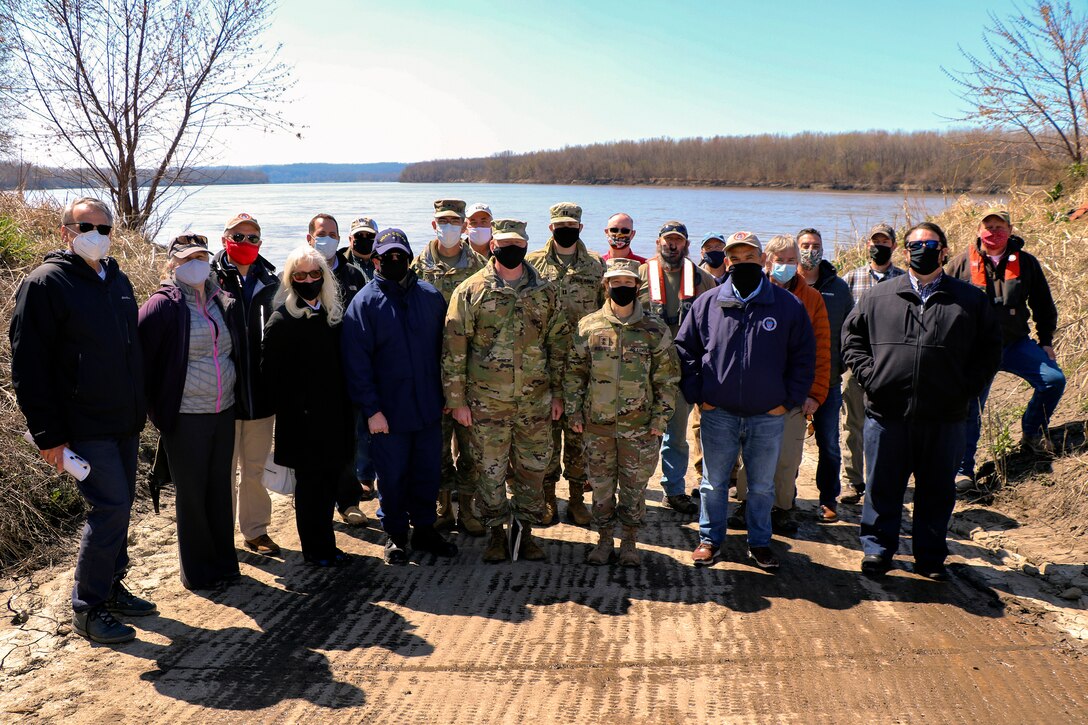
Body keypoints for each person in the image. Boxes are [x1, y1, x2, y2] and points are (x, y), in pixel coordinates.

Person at [9, 197, 153, 644]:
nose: (96, 234)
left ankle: (111, 586)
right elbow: (28, 366)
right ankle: (87, 607)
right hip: (82, 424)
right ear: (65, 231)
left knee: (123, 502)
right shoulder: (46, 283)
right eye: (86, 225)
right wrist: (48, 435)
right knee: (109, 506)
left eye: (104, 228)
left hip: (123, 420)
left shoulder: (118, 280)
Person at [842, 222, 1002, 579]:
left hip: (944, 417)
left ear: (944, 250)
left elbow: (990, 349)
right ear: (905, 251)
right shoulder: (879, 296)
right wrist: (871, 377)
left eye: (931, 244)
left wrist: (966, 387)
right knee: (882, 486)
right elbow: (852, 339)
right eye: (915, 244)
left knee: (936, 491)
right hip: (887, 414)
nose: (923, 250)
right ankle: (877, 550)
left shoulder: (970, 299)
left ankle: (929, 557)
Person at [675, 231, 815, 570]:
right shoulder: (707, 304)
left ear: (762, 261)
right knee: (713, 483)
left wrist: (787, 401)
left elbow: (803, 357)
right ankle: (710, 540)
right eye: (735, 260)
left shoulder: (786, 306)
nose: (742, 264)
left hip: (767, 414)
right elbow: (685, 350)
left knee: (762, 486)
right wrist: (699, 396)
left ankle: (760, 542)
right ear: (727, 262)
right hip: (718, 412)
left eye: (749, 259)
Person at [443, 219, 570, 563]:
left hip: (535, 403)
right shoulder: (471, 290)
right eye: (504, 244)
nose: (510, 250)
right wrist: (456, 401)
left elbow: (558, 347)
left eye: (517, 244)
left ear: (527, 246)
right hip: (486, 404)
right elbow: (454, 349)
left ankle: (525, 534)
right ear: (494, 246)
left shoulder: (546, 292)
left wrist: (558, 395)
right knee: (490, 471)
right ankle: (495, 534)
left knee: (532, 470)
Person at [342, 228, 458, 564]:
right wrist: (372, 410)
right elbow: (357, 364)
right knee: (391, 477)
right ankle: (394, 534)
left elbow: (447, 352)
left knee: (427, 472)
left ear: (409, 258)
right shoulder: (364, 303)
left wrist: (449, 395)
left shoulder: (430, 296)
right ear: (375, 259)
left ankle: (423, 529)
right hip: (387, 413)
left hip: (427, 407)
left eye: (400, 255)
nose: (394, 260)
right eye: (387, 255)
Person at [139, 234, 241, 591]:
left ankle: (225, 564)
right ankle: (199, 573)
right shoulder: (161, 306)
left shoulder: (219, 298)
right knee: (192, 494)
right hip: (185, 416)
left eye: (201, 256)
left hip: (223, 410)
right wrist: (158, 412)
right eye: (187, 259)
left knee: (219, 489)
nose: (196, 263)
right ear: (172, 264)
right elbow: (144, 365)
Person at [565, 258, 679, 567]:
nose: (622, 288)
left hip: (639, 428)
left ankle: (629, 541)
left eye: (628, 283)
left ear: (636, 286)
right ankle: (604, 540)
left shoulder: (654, 329)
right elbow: (575, 373)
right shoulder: (590, 326)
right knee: (601, 489)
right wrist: (574, 413)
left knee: (634, 489)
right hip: (597, 427)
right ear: (606, 285)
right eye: (616, 283)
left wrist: (660, 419)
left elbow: (667, 379)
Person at [946, 208, 1065, 491]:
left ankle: (1032, 432)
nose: (993, 233)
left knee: (1054, 380)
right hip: (975, 350)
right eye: (988, 228)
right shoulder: (960, 263)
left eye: (1000, 228)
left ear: (1010, 231)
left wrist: (1045, 341)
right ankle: (963, 470)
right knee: (971, 408)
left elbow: (1044, 306)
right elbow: (941, 304)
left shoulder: (1027, 263)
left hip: (1015, 345)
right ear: (978, 231)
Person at [261, 247, 354, 567]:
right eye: (300, 275)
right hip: (302, 424)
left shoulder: (332, 315)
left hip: (334, 418)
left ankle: (326, 544)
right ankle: (314, 550)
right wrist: (297, 408)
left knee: (329, 486)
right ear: (290, 279)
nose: (309, 280)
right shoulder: (281, 320)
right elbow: (270, 379)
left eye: (315, 274)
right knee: (310, 490)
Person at [733, 234, 829, 534]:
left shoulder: (812, 299)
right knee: (753, 455)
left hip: (795, 393)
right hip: (757, 392)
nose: (785, 266)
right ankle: (747, 504)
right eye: (780, 260)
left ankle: (783, 508)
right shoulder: (752, 291)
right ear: (767, 261)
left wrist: (815, 393)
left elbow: (823, 349)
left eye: (791, 261)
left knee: (787, 458)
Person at [410, 200, 487, 535]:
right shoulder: (417, 267)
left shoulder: (481, 265)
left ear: (465, 226)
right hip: (430, 372)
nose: (450, 226)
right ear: (433, 225)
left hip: (471, 370)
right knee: (436, 444)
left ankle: (468, 509)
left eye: (456, 221)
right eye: (444, 221)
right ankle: (443, 506)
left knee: (471, 445)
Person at [526, 202, 604, 527]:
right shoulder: (530, 265)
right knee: (543, 439)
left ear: (581, 228)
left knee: (578, 436)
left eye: (572, 225)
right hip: (541, 368)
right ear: (550, 228)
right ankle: (547, 499)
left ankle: (575, 499)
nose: (566, 230)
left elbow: (605, 314)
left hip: (580, 370)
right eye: (560, 225)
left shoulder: (596, 266)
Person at [211, 213, 281, 557]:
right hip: (221, 393)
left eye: (253, 237)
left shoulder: (271, 280)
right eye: (239, 236)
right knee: (222, 471)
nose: (246, 243)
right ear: (225, 238)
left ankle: (255, 531)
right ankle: (221, 535)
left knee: (254, 468)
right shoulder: (208, 278)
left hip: (261, 393)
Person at [638, 221, 716, 516]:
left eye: (678, 241)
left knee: (676, 435)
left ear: (686, 245)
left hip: (683, 370)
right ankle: (634, 490)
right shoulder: (640, 275)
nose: (672, 245)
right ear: (658, 242)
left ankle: (673, 490)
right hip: (644, 371)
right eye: (668, 240)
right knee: (641, 434)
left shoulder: (703, 279)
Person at [306, 213, 369, 526]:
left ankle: (348, 501)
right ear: (310, 238)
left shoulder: (354, 275)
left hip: (347, 372)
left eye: (332, 233)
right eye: (321, 233)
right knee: (313, 442)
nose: (326, 239)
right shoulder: (298, 273)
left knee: (347, 440)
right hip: (311, 375)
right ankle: (315, 502)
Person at [840, 223, 905, 504]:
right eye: (874, 240)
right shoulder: (851, 279)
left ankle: (882, 480)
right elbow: (842, 323)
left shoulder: (904, 279)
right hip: (856, 365)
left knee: (889, 425)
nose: (879, 245)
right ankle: (851, 482)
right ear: (867, 245)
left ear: (894, 246)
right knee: (851, 424)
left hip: (891, 366)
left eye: (885, 241)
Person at [797, 227, 854, 521]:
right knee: (787, 445)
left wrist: (842, 364)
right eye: (804, 245)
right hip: (792, 381)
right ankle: (784, 498)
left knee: (829, 445)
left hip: (829, 380)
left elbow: (850, 330)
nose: (810, 250)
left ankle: (828, 498)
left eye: (815, 245)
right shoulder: (784, 283)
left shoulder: (838, 288)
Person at [343, 216, 380, 502]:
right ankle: (362, 475)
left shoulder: (385, 260)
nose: (364, 241)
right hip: (354, 351)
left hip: (381, 353)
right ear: (350, 238)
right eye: (359, 236)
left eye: (369, 236)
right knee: (357, 420)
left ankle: (372, 472)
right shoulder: (341, 267)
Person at [690, 232, 727, 483]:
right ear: (701, 252)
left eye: (718, 247)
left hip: (725, 362)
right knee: (699, 423)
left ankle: (732, 474)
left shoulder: (736, 278)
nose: (713, 251)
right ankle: (702, 472)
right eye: (708, 247)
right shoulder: (694, 278)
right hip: (700, 358)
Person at [346, 216, 380, 282]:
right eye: (358, 235)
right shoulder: (339, 263)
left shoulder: (387, 261)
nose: (364, 239)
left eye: (370, 235)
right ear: (350, 239)